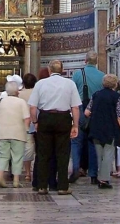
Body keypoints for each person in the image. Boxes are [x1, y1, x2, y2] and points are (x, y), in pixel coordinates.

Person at [28, 59, 81, 195]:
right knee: (63, 153)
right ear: (62, 70)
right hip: (63, 118)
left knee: (43, 153)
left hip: (45, 117)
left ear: (49, 70)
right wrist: (75, 125)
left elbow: (33, 107)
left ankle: (42, 186)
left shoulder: (40, 84)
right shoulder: (70, 83)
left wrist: (35, 122)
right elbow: (75, 107)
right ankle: (63, 186)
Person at [85, 73, 120, 189]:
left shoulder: (96, 95)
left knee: (100, 155)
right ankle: (104, 180)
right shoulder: (116, 97)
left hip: (96, 129)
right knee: (108, 155)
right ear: (115, 84)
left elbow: (86, 112)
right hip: (110, 129)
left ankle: (100, 177)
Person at [70, 51, 105, 184]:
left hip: (80, 109)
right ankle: (94, 174)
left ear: (85, 60)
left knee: (76, 141)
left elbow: (72, 93)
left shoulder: (78, 74)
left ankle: (75, 170)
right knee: (93, 143)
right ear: (96, 62)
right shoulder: (102, 76)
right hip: (95, 112)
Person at [0, 81, 32, 188]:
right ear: (17, 91)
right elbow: (27, 118)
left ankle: (0, 176)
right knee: (17, 156)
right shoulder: (21, 102)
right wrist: (26, 130)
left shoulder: (0, 101)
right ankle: (16, 180)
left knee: (3, 155)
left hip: (2, 131)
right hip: (18, 132)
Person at [19, 73, 38, 182]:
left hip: (24, 124)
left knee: (28, 148)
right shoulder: (38, 92)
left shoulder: (19, 94)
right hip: (37, 122)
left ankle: (27, 173)